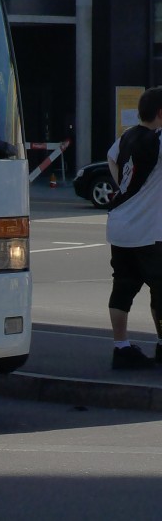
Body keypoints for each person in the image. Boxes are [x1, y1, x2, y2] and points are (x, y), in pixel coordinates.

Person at [105, 86, 162, 370]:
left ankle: (121, 347)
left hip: (120, 225)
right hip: (148, 232)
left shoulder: (127, 135)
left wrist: (123, 188)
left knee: (123, 288)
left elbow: (111, 157)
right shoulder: (158, 140)